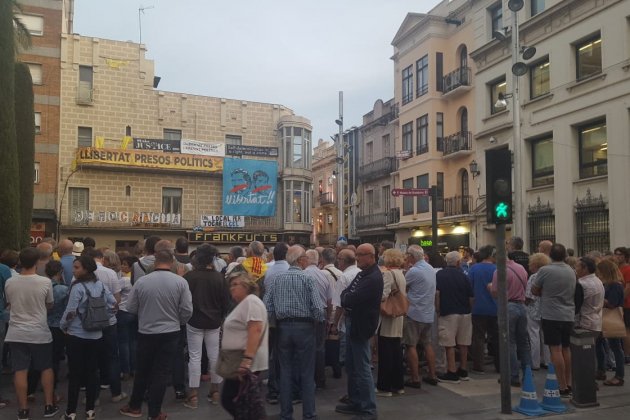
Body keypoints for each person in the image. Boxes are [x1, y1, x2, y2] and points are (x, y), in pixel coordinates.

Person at [120, 247, 193, 420]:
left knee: (143, 370)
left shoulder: (142, 282)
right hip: (170, 332)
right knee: (161, 372)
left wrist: (145, 314)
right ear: (172, 262)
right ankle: (154, 413)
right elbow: (187, 310)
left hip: (146, 331)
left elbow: (130, 307)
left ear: (155, 262)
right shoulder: (180, 282)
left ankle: (135, 406)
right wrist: (179, 321)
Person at [264, 245, 324, 420]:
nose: (307, 259)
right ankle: (309, 414)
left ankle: (286, 414)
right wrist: (317, 321)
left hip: (283, 328)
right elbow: (318, 309)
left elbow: (267, 306)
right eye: (305, 256)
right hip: (305, 328)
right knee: (306, 372)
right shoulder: (308, 279)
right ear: (300, 260)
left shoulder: (277, 279)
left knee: (285, 371)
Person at [60, 255, 117, 420]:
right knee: (93, 372)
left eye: (77, 267)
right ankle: (90, 410)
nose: (73, 270)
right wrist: (103, 317)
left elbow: (70, 311)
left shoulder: (77, 287)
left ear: (85, 269)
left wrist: (64, 326)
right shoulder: (100, 285)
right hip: (96, 335)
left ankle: (70, 411)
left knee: (76, 374)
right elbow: (114, 305)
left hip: (76, 334)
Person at [4, 248, 58, 420]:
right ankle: (49, 405)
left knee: (20, 370)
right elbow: (49, 304)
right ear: (37, 263)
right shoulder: (45, 282)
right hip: (39, 331)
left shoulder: (10, 282)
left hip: (16, 331)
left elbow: (9, 302)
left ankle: (23, 409)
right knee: (45, 367)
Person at [335, 243, 382, 420]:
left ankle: (369, 409)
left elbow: (352, 298)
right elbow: (346, 294)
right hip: (353, 323)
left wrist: (347, 298)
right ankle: (356, 401)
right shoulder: (363, 274)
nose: (358, 258)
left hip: (361, 325)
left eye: (361, 255)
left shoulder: (373, 277)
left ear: (371, 256)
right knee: (351, 365)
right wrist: (347, 298)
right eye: (357, 255)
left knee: (362, 368)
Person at [183, 244, 230, 408]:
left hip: (194, 321)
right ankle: (215, 391)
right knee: (214, 355)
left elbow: (185, 302)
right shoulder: (219, 278)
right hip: (214, 321)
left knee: (194, 356)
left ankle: (194, 394)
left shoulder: (189, 277)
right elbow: (226, 302)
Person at [220, 270, 269, 418]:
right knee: (240, 400)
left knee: (233, 399)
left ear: (247, 285)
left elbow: (255, 330)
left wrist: (247, 360)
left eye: (236, 284)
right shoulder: (244, 303)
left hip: (244, 362)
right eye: (231, 285)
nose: (232, 288)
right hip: (238, 360)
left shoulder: (251, 302)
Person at [532, 243, 576, 398]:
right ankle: (569, 382)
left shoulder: (545, 270)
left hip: (551, 315)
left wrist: (545, 291)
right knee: (566, 348)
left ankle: (562, 385)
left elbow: (534, 289)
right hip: (568, 314)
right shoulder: (571, 270)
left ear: (550, 255)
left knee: (555, 350)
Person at [490, 254, 531, 386]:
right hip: (522, 306)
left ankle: (513, 376)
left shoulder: (499, 271)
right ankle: (528, 375)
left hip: (509, 307)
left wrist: (490, 287)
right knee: (524, 343)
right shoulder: (521, 268)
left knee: (510, 343)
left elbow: (496, 292)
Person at [435, 251, 473, 384]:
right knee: (464, 342)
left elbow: (438, 294)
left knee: (448, 343)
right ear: (458, 263)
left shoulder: (440, 274)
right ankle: (463, 369)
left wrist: (438, 309)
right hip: (465, 312)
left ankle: (451, 371)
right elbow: (471, 297)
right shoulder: (464, 276)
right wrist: (469, 309)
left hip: (448, 312)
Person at [402, 245, 437, 387]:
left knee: (411, 345)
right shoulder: (430, 268)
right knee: (427, 344)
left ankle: (415, 378)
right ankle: (432, 374)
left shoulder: (414, 271)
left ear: (411, 256)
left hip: (415, 312)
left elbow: (403, 287)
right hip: (428, 311)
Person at [261, 242, 290, 404]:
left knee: (274, 354)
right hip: (286, 318)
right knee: (285, 354)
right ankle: (284, 386)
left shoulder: (269, 271)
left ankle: (274, 387)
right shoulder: (290, 270)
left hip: (272, 318)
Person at [376, 249, 407, 396]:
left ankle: (384, 386)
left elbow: (383, 295)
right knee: (396, 352)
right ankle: (398, 384)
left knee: (386, 352)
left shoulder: (388, 273)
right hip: (398, 315)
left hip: (388, 316)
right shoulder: (401, 273)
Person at [304, 249, 333, 389]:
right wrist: (328, 317)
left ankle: (308, 379)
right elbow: (329, 300)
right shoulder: (323, 276)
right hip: (321, 313)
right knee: (320, 348)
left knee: (306, 348)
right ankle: (320, 379)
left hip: (307, 315)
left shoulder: (303, 275)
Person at [467, 244, 498, 374]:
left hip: (478, 307)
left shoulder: (474, 269)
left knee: (478, 337)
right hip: (496, 307)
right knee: (497, 337)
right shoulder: (498, 268)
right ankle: (500, 365)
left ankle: (478, 365)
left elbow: (469, 289)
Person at [595, 259, 625, 386]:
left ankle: (619, 375)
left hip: (610, 318)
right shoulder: (608, 284)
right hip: (604, 318)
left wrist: (600, 298)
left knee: (615, 347)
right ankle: (601, 370)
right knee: (598, 344)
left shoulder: (615, 285)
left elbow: (612, 303)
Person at [45, 261, 69, 402]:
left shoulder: (43, 285)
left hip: (44, 324)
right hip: (58, 326)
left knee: (41, 358)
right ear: (60, 272)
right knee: (55, 359)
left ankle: (32, 389)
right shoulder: (63, 289)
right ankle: (52, 389)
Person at [525, 253, 552, 370]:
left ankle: (535, 362)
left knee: (533, 335)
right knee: (545, 335)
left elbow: (529, 295)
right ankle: (547, 361)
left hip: (533, 309)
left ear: (535, 264)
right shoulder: (549, 276)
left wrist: (525, 303)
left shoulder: (533, 277)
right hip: (546, 309)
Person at [117, 256, 138, 382]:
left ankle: (125, 370)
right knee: (134, 341)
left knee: (123, 342)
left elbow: (115, 292)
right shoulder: (136, 279)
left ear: (130, 267)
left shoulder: (124, 280)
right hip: (134, 312)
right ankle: (134, 368)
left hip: (123, 312)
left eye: (125, 264)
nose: (122, 266)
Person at [575, 257, 604, 335]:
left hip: (584, 324)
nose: (575, 269)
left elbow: (576, 304)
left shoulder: (581, 284)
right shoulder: (598, 281)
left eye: (577, 266)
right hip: (597, 322)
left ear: (585, 269)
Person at [613, 247, 630, 364]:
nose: (617, 256)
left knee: (626, 331)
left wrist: (620, 300)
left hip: (626, 304)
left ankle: (627, 355)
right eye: (616, 254)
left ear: (625, 256)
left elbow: (628, 288)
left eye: (620, 254)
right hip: (620, 304)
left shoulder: (627, 269)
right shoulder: (617, 268)